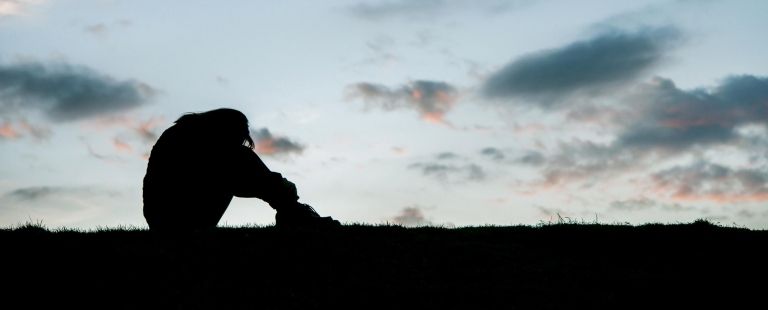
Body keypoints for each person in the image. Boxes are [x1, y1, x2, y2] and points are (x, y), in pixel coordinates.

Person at [142, 108, 339, 230]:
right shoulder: (193, 141)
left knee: (238, 156)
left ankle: (291, 210)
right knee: (239, 156)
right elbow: (237, 175)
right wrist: (280, 188)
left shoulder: (183, 134)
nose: (239, 143)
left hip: (167, 216)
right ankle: (293, 211)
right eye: (238, 137)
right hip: (176, 216)